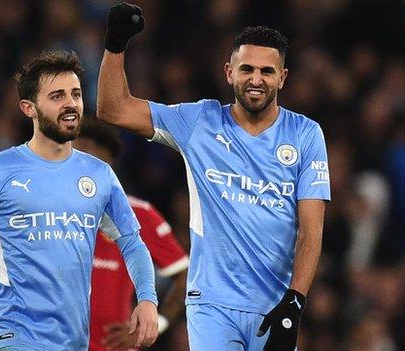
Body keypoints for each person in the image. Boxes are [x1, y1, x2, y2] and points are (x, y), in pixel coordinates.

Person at [97, 4, 330, 351]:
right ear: (229, 72)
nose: (256, 79)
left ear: (282, 77)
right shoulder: (199, 122)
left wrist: (295, 301)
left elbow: (311, 231)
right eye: (247, 69)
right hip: (211, 303)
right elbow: (113, 108)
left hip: (275, 304)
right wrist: (115, 46)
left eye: (267, 71)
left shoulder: (305, 135)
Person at [0, 50, 159, 351]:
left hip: (75, 339)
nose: (70, 104)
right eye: (57, 96)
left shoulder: (99, 175)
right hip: (14, 334)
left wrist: (147, 299)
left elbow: (132, 243)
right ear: (29, 108)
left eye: (75, 94)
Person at [74, 120, 189, 351]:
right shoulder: (49, 213)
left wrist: (157, 322)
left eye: (90, 162)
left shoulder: (138, 215)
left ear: (108, 166)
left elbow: (185, 277)